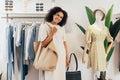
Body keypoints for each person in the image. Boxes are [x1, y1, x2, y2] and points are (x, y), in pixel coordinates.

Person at [38, 6, 69, 80]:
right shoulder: (44, 26)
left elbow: (64, 43)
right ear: (53, 14)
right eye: (57, 15)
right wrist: (52, 33)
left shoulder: (62, 28)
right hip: (50, 55)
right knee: (51, 76)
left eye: (61, 17)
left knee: (60, 76)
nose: (59, 18)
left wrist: (67, 58)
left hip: (61, 55)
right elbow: (43, 44)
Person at [82, 9, 113, 80]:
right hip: (94, 50)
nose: (98, 15)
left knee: (101, 70)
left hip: (102, 51)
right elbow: (87, 42)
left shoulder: (105, 29)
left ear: (103, 16)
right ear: (94, 15)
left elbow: (111, 41)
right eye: (97, 14)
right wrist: (83, 55)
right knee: (94, 72)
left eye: (100, 14)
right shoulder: (90, 28)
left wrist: (106, 53)